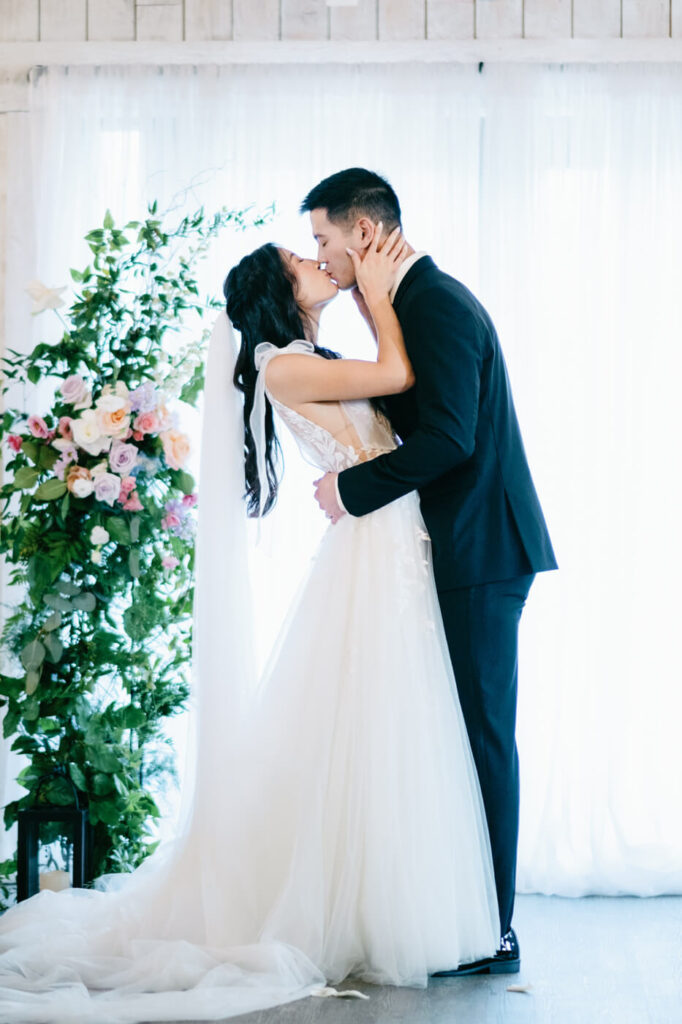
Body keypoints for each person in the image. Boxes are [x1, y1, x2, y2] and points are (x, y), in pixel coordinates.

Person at [0, 225, 501, 1021]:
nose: (314, 261)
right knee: (374, 723)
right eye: (299, 260)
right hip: (373, 549)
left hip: (384, 540)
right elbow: (401, 374)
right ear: (279, 293)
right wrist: (377, 296)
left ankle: (385, 897)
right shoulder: (286, 364)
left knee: (385, 727)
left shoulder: (308, 359)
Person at [303, 167, 558, 975]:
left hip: (482, 551)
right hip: (458, 549)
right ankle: (466, 917)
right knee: (456, 738)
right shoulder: (406, 305)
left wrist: (349, 489)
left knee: (484, 740)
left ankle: (496, 931)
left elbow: (450, 438)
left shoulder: (437, 305)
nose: (323, 257)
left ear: (365, 233)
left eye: (324, 240)